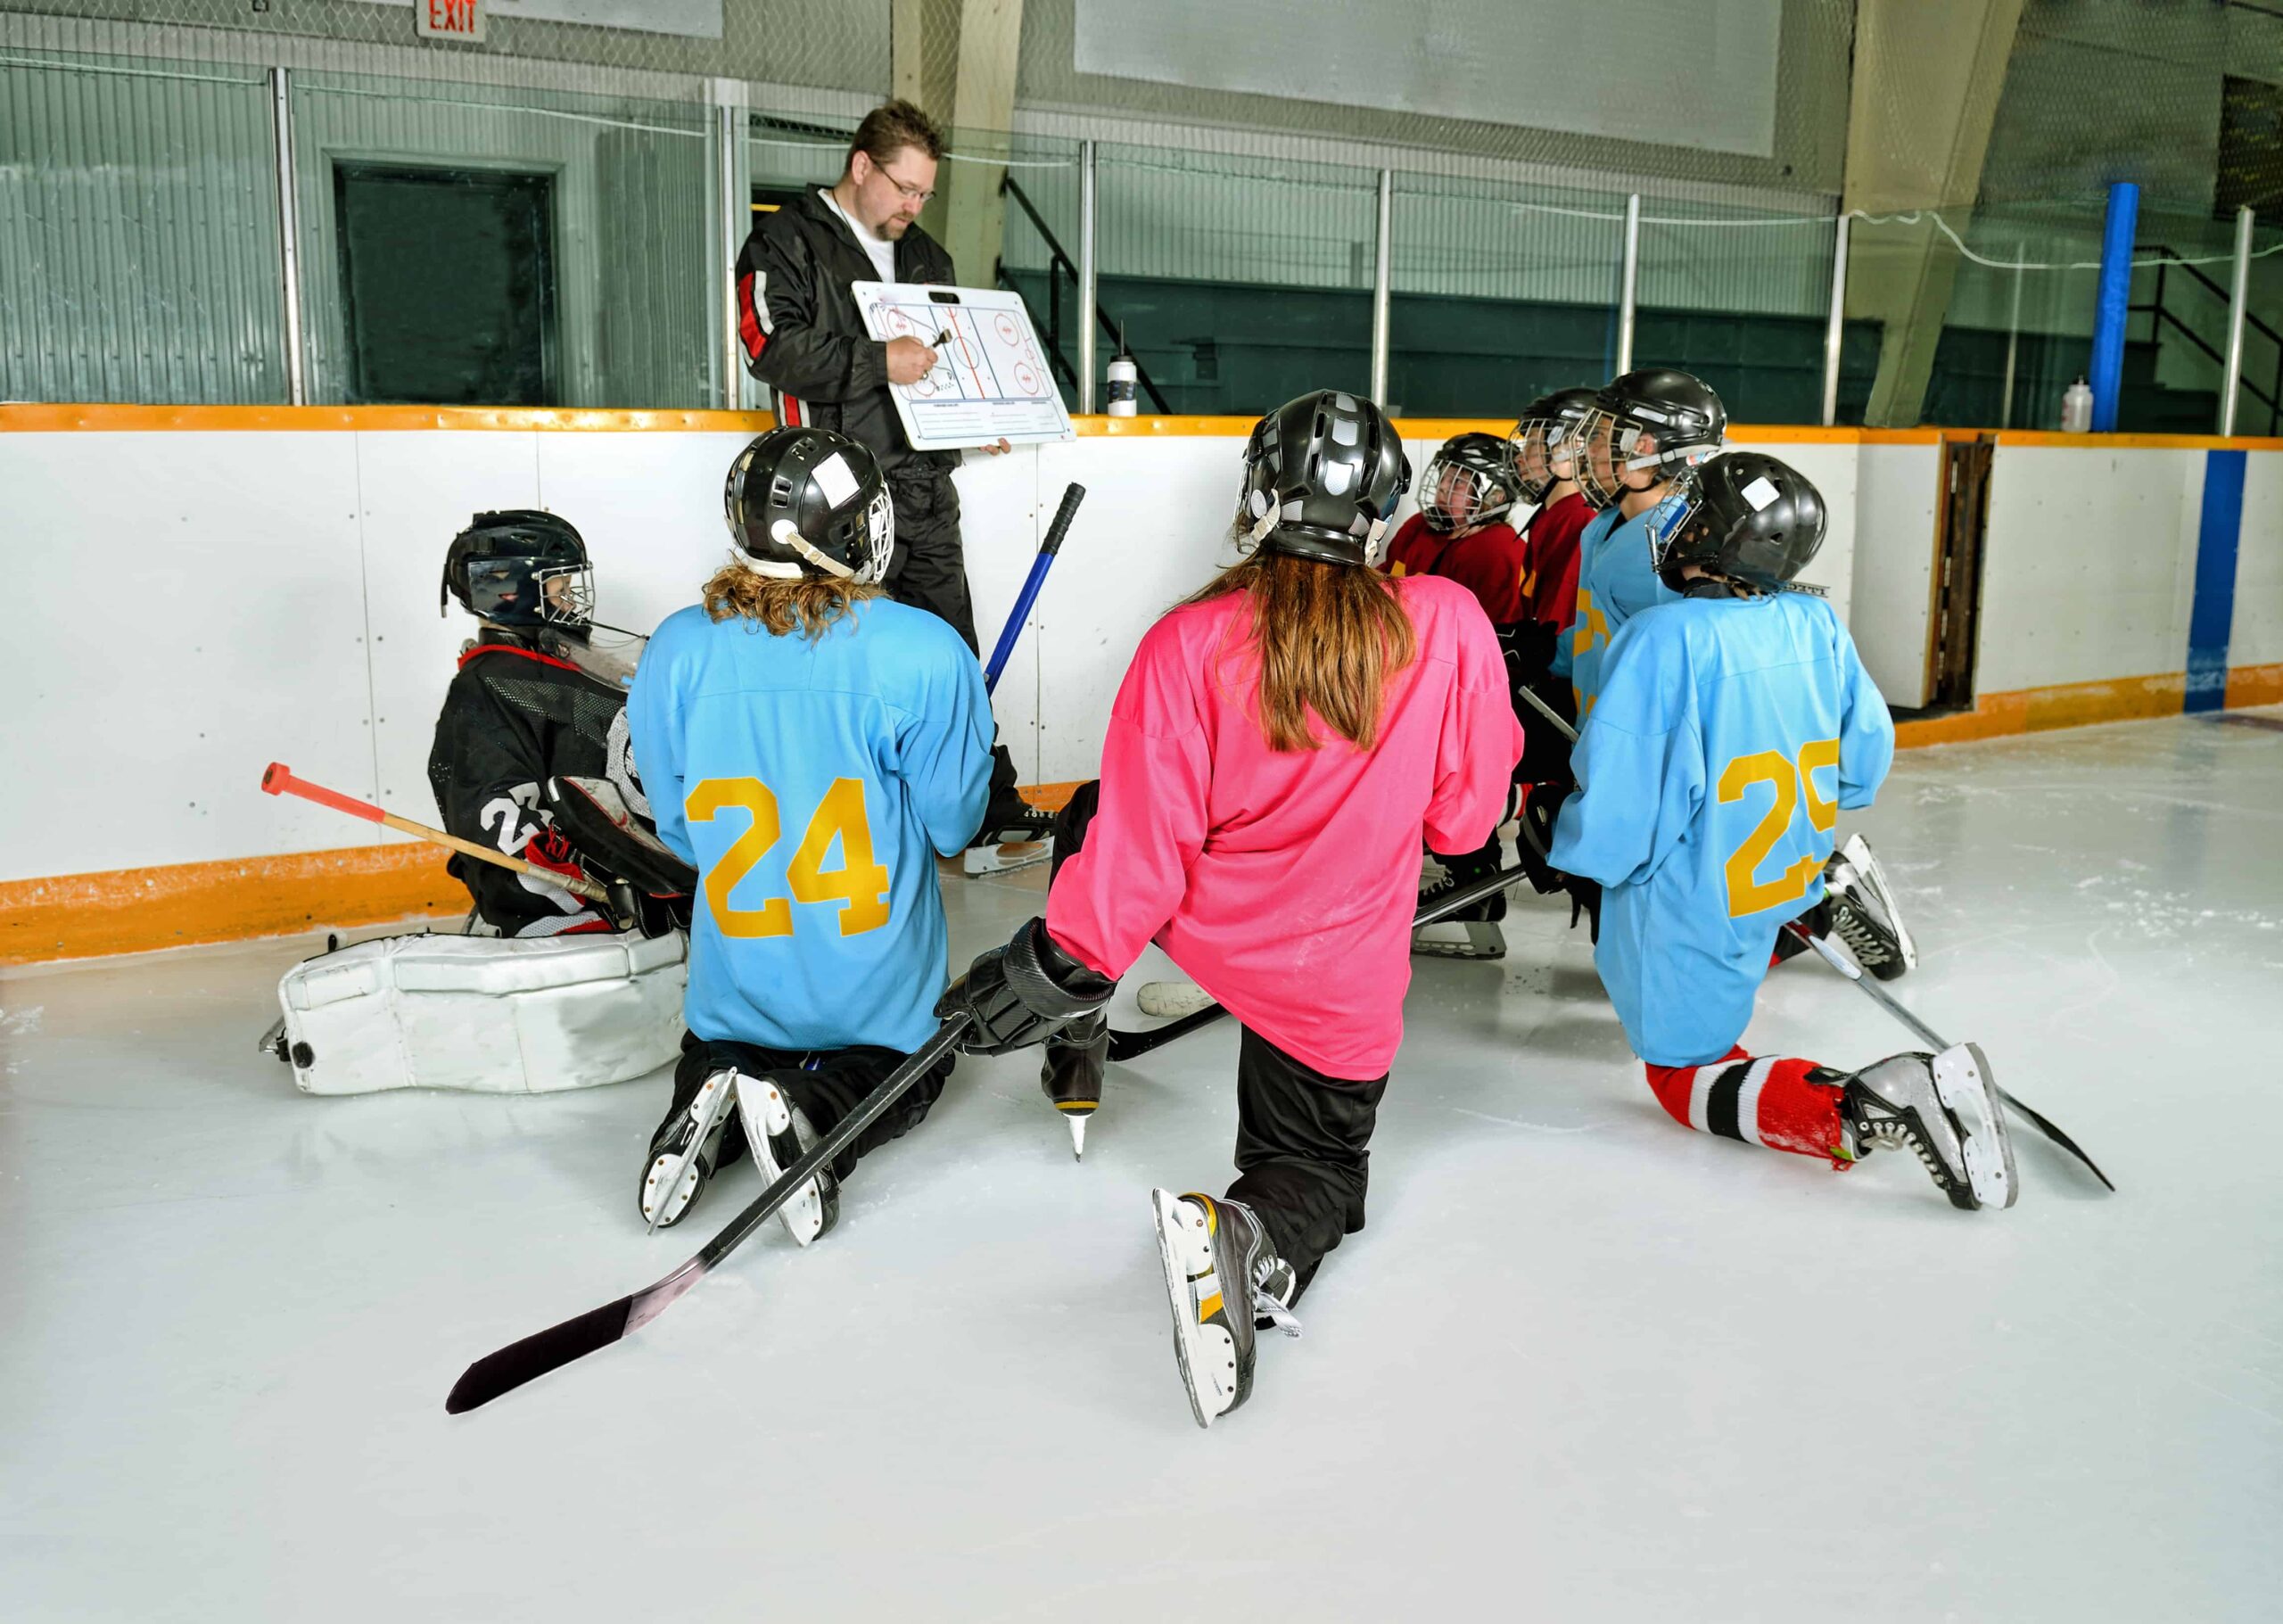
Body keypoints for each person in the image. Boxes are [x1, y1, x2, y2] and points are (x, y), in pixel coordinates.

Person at [940, 390, 1525, 1427]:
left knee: (1085, 815)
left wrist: (1057, 968)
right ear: (1383, 513)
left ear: (1259, 495)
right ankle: (1248, 1235)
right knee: (1317, 1172)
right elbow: (1462, 824)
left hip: (1202, 932)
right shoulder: (1445, 621)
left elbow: (1137, 849)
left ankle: (1081, 1038)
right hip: (1336, 968)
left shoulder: (1189, 640)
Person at [1547, 452, 2014, 1211]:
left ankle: (1870, 1102)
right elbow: (1862, 766)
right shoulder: (1814, 620)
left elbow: (1616, 831)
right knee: (1726, 981)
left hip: (1688, 904)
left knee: (1681, 1070)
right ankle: (1835, 888)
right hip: (1774, 878)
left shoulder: (1665, 640)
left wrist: (1558, 836)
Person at [625, 426, 994, 1232]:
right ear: (861, 528)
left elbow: (682, 829)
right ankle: (808, 1110)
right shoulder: (924, 650)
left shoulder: (677, 647)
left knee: (719, 1050)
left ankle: (703, 1100)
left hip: (736, 990)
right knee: (908, 1072)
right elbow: (953, 826)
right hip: (876, 1001)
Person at [734, 97, 1051, 877]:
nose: (913, 206)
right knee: (840, 656)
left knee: (950, 649)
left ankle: (981, 804)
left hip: (921, 489)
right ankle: (846, 810)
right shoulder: (785, 238)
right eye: (903, 188)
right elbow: (767, 345)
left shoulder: (927, 259)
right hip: (829, 502)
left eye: (924, 194)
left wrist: (974, 422)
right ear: (861, 167)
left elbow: (941, 366)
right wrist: (881, 359)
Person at [430, 510, 640, 938]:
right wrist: (578, 903)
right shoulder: (488, 687)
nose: (573, 602)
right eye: (560, 589)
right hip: (572, 919)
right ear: (509, 591)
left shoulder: (548, 667)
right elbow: (500, 820)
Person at [1375, 432, 1532, 960]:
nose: (1445, 490)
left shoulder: (1494, 548)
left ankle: (1475, 882)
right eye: (1444, 477)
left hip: (1454, 694)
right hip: (1403, 680)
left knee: (1453, 771)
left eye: (1461, 482)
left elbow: (1482, 646)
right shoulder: (1419, 529)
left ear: (1493, 495)